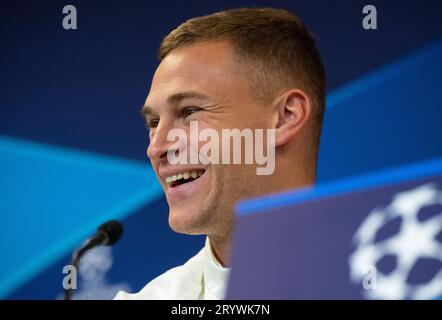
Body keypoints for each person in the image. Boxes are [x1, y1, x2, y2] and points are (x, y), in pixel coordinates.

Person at [115, 7, 326, 300]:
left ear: (285, 117)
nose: (157, 147)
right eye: (153, 123)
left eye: (190, 111)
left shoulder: (392, 280)